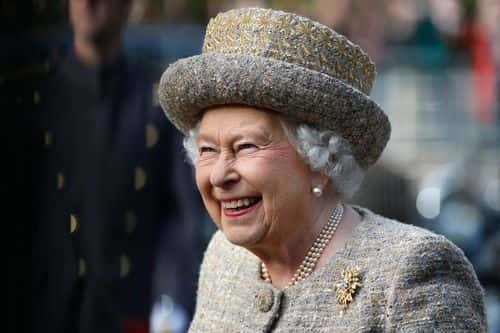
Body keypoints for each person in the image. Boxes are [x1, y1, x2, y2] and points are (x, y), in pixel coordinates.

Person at [157, 8, 487, 332]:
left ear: (321, 162)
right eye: (208, 150)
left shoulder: (411, 274)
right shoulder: (223, 258)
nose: (218, 176)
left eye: (245, 146)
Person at [33, 0, 203, 332]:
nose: (88, 4)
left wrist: (170, 302)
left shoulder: (154, 103)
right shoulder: (37, 99)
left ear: (127, 7)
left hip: (132, 312)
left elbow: (180, 217)